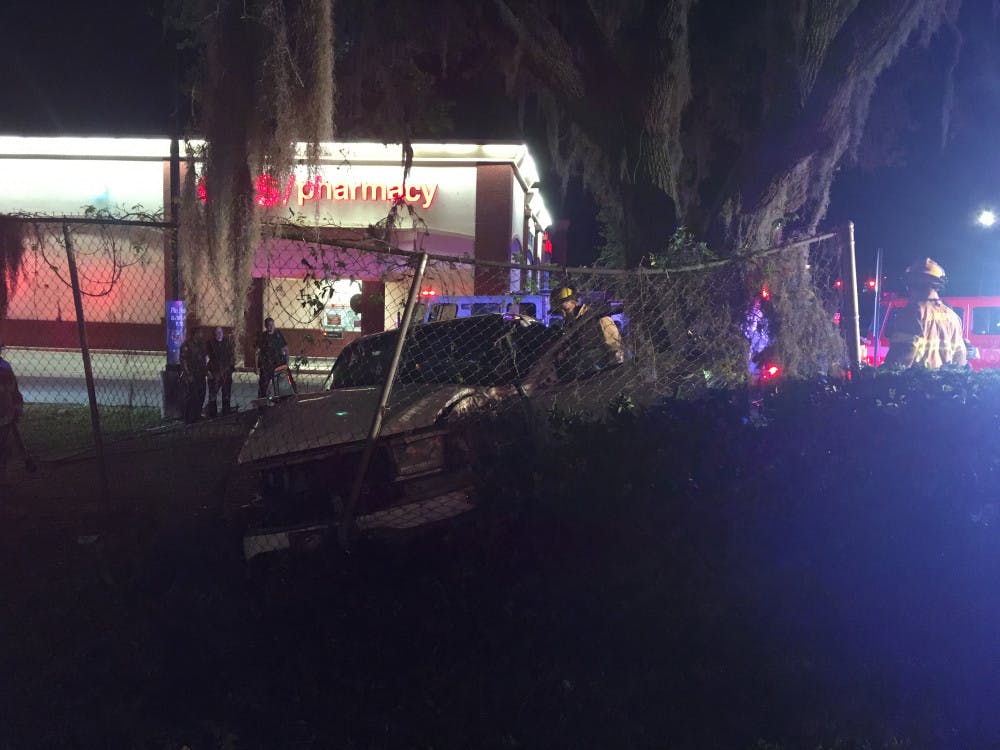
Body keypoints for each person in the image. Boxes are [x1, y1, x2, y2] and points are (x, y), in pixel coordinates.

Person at [883, 258, 967, 369]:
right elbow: (960, 360)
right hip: (943, 384)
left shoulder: (913, 313)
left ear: (910, 284)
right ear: (938, 285)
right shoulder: (953, 317)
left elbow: (899, 362)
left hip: (916, 384)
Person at [549, 285, 624, 377]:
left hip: (601, 373)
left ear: (573, 301)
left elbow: (614, 347)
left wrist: (615, 374)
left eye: (563, 307)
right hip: (581, 375)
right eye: (558, 310)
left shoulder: (598, 318)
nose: (562, 313)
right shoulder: (568, 326)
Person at [0, 341, 26, 482]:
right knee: (4, 445)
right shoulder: (5, 368)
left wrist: (16, 409)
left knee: (4, 445)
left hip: (4, 415)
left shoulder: (5, 369)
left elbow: (14, 392)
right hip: (5, 415)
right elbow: (15, 393)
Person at [205, 326, 235, 417]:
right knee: (213, 395)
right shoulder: (210, 344)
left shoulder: (227, 343)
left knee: (226, 394)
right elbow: (205, 357)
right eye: (217, 332)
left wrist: (230, 369)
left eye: (220, 332)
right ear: (214, 334)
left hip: (226, 373)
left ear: (223, 333)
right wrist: (207, 371)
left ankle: (226, 413)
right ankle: (212, 415)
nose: (218, 334)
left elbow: (232, 357)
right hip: (214, 373)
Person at [256, 317, 289, 398]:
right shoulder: (263, 336)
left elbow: (285, 349)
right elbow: (257, 352)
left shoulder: (278, 335)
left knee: (280, 387)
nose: (271, 326)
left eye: (272, 324)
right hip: (265, 365)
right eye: (268, 325)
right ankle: (262, 405)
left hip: (278, 364)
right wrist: (257, 367)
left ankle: (280, 403)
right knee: (263, 387)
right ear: (266, 326)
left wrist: (287, 363)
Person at [179, 332, 208, 423]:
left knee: (201, 395)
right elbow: (183, 361)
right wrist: (188, 374)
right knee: (191, 397)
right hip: (191, 375)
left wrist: (206, 372)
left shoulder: (202, 345)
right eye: (199, 332)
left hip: (201, 375)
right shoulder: (187, 345)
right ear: (194, 333)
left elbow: (204, 360)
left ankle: (197, 415)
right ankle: (188, 418)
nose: (201, 335)